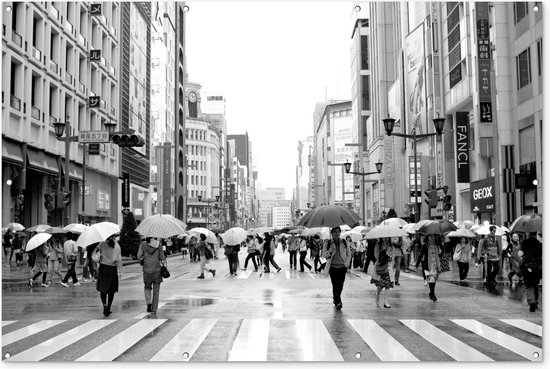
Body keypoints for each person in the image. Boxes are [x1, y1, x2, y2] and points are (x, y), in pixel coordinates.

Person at [321, 226, 351, 310]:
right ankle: (338, 301)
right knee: (335, 285)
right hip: (333, 267)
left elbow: (349, 254)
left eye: (338, 232)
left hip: (342, 267)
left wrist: (347, 263)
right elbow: (324, 255)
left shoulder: (344, 242)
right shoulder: (328, 243)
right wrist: (329, 251)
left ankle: (336, 298)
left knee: (340, 285)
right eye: (335, 232)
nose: (337, 233)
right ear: (332, 233)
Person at [137, 237, 166, 314]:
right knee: (156, 291)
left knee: (147, 287)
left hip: (147, 270)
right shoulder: (158, 244)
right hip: (157, 270)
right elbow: (162, 257)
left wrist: (143, 261)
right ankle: (154, 308)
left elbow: (139, 256)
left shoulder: (143, 244)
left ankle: (149, 303)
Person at [96, 235, 122, 316]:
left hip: (103, 268)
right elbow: (119, 259)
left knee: (103, 288)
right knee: (112, 290)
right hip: (112, 269)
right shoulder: (116, 246)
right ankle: (109, 308)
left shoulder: (101, 244)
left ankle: (105, 305)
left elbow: (96, 255)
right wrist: (120, 271)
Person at [520, 231, 542, 312]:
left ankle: (531, 301)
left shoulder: (524, 243)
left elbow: (521, 254)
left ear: (528, 233)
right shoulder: (540, 244)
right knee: (535, 284)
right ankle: (535, 301)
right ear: (536, 234)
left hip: (527, 267)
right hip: (537, 268)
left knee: (529, 285)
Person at [416, 234, 442, 302]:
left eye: (433, 236)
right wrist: (417, 264)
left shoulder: (438, 245)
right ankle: (432, 294)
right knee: (431, 279)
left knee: (434, 279)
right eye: (430, 236)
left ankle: (431, 293)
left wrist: (441, 251)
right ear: (427, 237)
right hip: (427, 265)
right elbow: (421, 255)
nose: (432, 238)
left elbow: (441, 254)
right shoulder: (425, 245)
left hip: (435, 264)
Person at [370, 238, 394, 308]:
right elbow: (376, 254)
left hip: (388, 267)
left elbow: (393, 255)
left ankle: (386, 302)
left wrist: (390, 257)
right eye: (384, 237)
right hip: (381, 266)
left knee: (387, 285)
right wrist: (383, 255)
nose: (386, 239)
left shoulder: (390, 245)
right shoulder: (378, 244)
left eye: (387, 237)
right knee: (380, 285)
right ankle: (377, 296)